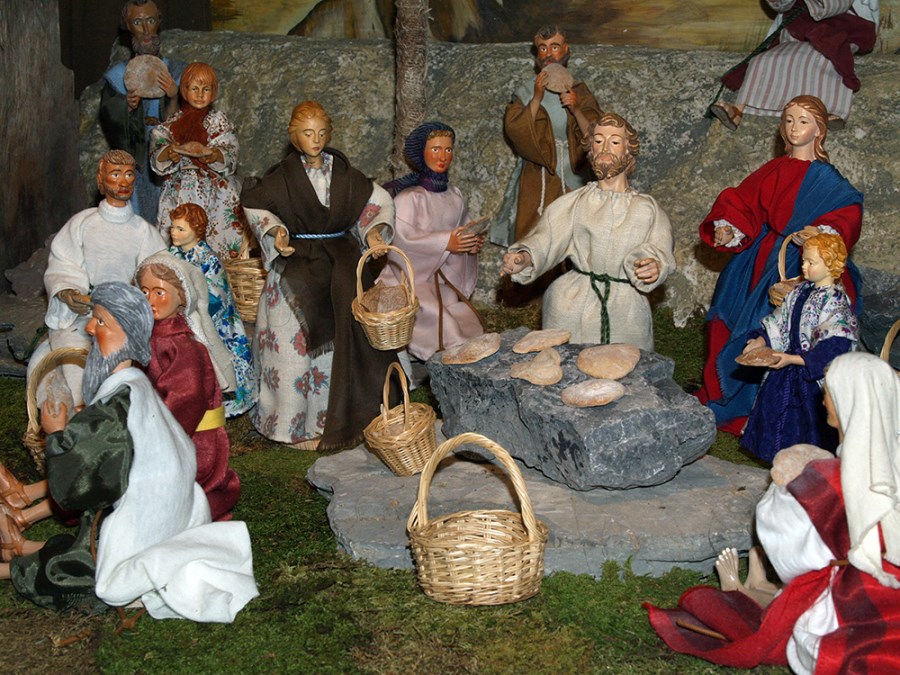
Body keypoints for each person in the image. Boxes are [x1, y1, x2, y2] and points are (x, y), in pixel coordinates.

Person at [1, 282, 258, 621]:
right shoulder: (136, 386)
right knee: (84, 542)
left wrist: (57, 434)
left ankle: (12, 565)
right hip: (168, 508)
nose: (89, 329)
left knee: (76, 571)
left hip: (143, 523)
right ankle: (19, 546)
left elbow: (83, 481)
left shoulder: (118, 404)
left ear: (126, 333)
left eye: (101, 322)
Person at [645, 352, 900, 673]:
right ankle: (759, 585)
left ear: (846, 401)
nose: (823, 398)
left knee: (790, 621)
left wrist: (783, 491)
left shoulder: (829, 478)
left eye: (830, 391)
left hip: (853, 599)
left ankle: (751, 592)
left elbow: (789, 548)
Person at [696, 95, 863, 434]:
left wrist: (821, 233)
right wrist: (729, 226)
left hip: (800, 260)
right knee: (730, 310)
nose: (793, 127)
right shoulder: (773, 170)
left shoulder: (827, 179)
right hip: (757, 258)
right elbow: (744, 201)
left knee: (784, 325)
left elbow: (848, 211)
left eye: (803, 121)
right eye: (788, 120)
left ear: (819, 130)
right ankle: (723, 394)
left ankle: (769, 409)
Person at [240, 101, 398, 450]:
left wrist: (374, 232)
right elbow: (256, 203)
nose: (316, 140)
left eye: (322, 133)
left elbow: (375, 201)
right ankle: (292, 424)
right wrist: (276, 232)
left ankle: (339, 419)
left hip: (341, 265)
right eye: (308, 133)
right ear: (293, 136)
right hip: (295, 267)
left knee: (348, 339)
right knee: (291, 347)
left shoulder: (343, 174)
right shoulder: (281, 177)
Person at [501, 112, 675, 351]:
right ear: (590, 148)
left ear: (628, 150)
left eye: (615, 141)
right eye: (598, 140)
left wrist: (654, 266)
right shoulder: (574, 203)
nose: (605, 147)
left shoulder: (647, 209)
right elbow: (546, 239)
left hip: (625, 308)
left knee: (628, 364)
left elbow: (661, 250)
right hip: (571, 303)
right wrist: (524, 257)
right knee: (565, 361)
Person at [37, 149, 166, 407]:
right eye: (115, 174)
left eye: (129, 174)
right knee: (74, 358)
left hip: (125, 317)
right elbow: (63, 263)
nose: (123, 181)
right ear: (101, 179)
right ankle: (78, 410)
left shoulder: (144, 232)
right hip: (84, 314)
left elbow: (157, 274)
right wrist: (68, 292)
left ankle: (113, 412)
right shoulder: (82, 223)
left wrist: (131, 304)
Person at [137, 252, 241, 521]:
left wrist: (152, 431)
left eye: (159, 293)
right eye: (145, 292)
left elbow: (187, 397)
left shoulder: (181, 345)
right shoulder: (153, 338)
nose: (150, 300)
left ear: (182, 296)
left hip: (191, 438)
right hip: (163, 426)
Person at [740, 233, 859, 462]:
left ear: (830, 264)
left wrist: (794, 359)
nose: (804, 267)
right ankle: (778, 463)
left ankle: (811, 467)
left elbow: (835, 345)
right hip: (785, 369)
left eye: (811, 262)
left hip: (811, 378)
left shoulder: (835, 302)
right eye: (803, 260)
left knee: (809, 425)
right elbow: (780, 321)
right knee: (773, 413)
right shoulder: (798, 292)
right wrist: (761, 340)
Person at [377, 121, 484, 361]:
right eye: (435, 149)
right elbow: (400, 242)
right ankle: (449, 355)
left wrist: (468, 246)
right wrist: (445, 242)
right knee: (438, 316)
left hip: (441, 276)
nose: (443, 156)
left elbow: (462, 231)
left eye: (448, 149)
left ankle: (468, 352)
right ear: (421, 153)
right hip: (408, 279)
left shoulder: (455, 196)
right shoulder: (410, 198)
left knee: (458, 308)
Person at [498, 26, 603, 241]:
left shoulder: (579, 92)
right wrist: (536, 98)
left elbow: (597, 136)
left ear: (565, 49)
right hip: (539, 173)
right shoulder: (526, 92)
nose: (549, 54)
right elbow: (516, 129)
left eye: (554, 47)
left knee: (575, 235)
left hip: (575, 173)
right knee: (534, 234)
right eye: (543, 48)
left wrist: (575, 109)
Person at [709, 0, 878, 131]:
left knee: (822, 58)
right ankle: (738, 110)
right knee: (765, 60)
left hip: (837, 28)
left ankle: (829, 111)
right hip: (797, 28)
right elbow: (782, 5)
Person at [99, 0, 185, 223]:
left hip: (169, 154)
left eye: (151, 20)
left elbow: (188, 121)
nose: (146, 30)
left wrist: (173, 95)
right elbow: (110, 117)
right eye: (138, 22)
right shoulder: (118, 76)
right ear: (127, 26)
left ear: (159, 22)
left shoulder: (177, 71)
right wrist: (126, 106)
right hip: (135, 153)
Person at [168, 202, 256, 416]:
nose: (174, 233)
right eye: (173, 227)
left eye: (180, 229)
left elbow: (216, 296)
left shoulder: (207, 259)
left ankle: (226, 404)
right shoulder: (172, 254)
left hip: (213, 322)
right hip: (182, 316)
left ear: (197, 230)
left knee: (217, 360)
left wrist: (187, 302)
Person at [151, 62, 244, 260]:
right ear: (184, 91)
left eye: (206, 89)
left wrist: (214, 155)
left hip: (215, 188)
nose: (200, 95)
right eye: (194, 89)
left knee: (221, 224)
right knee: (178, 222)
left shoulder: (218, 121)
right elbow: (158, 146)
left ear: (214, 92)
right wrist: (170, 153)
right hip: (181, 187)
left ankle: (220, 265)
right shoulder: (172, 123)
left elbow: (230, 148)